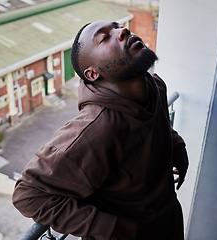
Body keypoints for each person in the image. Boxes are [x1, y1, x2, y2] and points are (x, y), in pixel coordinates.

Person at [12, 21, 189, 240]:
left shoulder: (155, 86)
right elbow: (27, 194)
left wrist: (177, 147)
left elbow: (159, 125)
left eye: (118, 27)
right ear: (93, 74)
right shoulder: (96, 130)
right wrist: (108, 228)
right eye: (105, 38)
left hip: (169, 222)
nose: (123, 31)